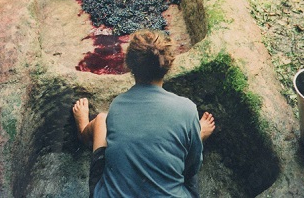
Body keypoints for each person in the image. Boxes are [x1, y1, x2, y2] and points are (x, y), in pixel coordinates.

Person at [72, 29, 216, 198]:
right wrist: (197, 137)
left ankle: (83, 130)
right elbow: (190, 168)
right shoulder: (187, 109)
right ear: (169, 65)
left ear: (130, 66)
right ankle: (197, 136)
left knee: (102, 119)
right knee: (188, 157)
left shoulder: (118, 105)